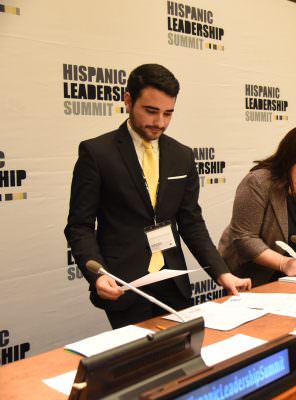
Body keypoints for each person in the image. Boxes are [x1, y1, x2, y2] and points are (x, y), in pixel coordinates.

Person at [65, 64, 251, 329]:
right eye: (151, 111)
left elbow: (191, 223)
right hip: (125, 284)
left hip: (173, 282)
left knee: (185, 349)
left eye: (168, 113)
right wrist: (98, 275)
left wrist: (222, 272)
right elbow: (80, 226)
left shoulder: (182, 155)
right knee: (142, 354)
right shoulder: (97, 153)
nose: (160, 122)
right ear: (128, 101)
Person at [218, 125, 296, 287]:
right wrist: (283, 263)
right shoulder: (258, 182)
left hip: (295, 276)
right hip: (251, 277)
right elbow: (245, 238)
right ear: (288, 160)